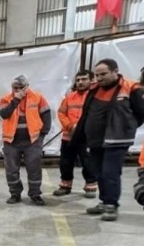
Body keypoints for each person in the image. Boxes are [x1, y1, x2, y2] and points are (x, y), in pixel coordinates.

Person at [73, 58, 144, 221]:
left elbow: (141, 113)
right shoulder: (94, 89)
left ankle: (111, 204)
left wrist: (128, 126)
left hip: (117, 140)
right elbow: (86, 113)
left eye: (103, 74)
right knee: (97, 172)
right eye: (97, 75)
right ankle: (104, 201)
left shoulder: (130, 88)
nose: (99, 78)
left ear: (115, 71)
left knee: (110, 172)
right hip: (96, 140)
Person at [0, 74, 51, 206]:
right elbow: (4, 114)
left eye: (21, 87)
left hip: (32, 141)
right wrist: (16, 100)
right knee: (11, 170)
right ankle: (15, 193)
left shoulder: (38, 97)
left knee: (34, 168)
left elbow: (46, 115)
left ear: (27, 86)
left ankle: (35, 194)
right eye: (15, 88)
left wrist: (42, 135)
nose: (18, 90)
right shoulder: (5, 99)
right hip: (11, 141)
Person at [53, 70, 97, 198]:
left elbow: (97, 115)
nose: (80, 82)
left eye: (84, 79)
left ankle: (91, 186)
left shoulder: (95, 97)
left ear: (91, 80)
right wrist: (70, 126)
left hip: (87, 137)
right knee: (65, 162)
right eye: (78, 80)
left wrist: (83, 127)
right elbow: (61, 113)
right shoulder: (69, 97)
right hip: (69, 136)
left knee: (88, 162)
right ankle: (65, 185)